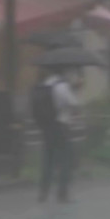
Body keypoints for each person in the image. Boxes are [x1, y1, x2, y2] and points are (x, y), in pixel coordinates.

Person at [33, 66, 81, 203]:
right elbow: (74, 104)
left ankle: (43, 192)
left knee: (47, 160)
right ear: (62, 71)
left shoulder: (45, 85)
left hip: (47, 127)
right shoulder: (62, 86)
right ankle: (62, 193)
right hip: (61, 126)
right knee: (65, 160)